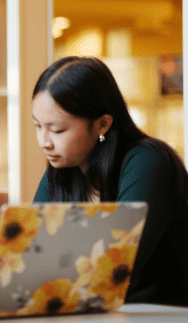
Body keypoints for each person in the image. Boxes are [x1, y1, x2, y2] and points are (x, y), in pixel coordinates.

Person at [31, 56, 188, 305]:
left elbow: (117, 269)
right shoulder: (62, 167)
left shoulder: (149, 162)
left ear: (102, 124)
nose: (44, 141)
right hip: (92, 312)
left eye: (57, 130)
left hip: (158, 314)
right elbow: (32, 255)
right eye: (38, 126)